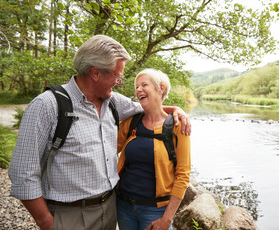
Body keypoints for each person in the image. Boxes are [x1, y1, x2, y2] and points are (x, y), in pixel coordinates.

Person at [8, 35, 191, 230]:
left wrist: (176, 111)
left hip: (110, 210)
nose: (120, 82)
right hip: (68, 216)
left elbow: (150, 108)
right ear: (95, 73)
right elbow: (22, 173)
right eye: (117, 75)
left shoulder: (113, 102)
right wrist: (46, 222)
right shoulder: (46, 106)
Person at [116, 68, 191, 230]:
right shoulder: (131, 122)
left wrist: (167, 219)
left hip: (155, 211)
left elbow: (183, 175)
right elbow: (106, 150)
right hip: (124, 206)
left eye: (144, 85)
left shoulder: (177, 126)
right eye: (136, 87)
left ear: (161, 88)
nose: (138, 90)